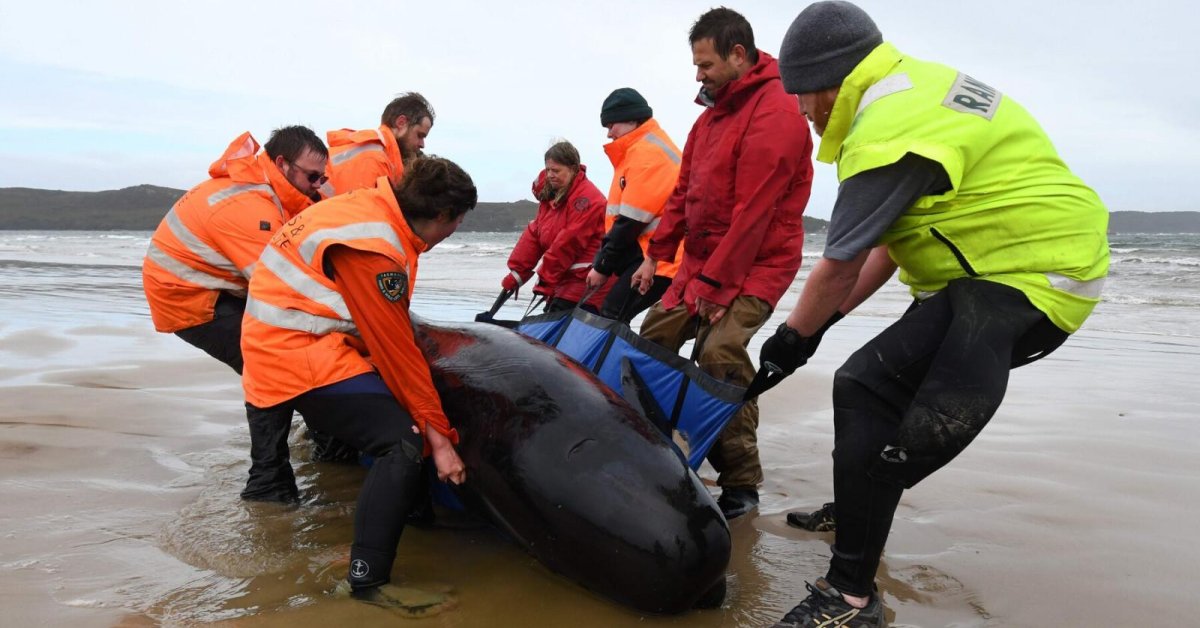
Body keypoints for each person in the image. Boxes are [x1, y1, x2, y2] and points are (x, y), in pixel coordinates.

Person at [760, 3, 1111, 626]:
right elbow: (889, 247)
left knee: (868, 388)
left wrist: (791, 339)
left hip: (1030, 276)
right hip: (1001, 266)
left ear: (826, 81)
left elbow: (838, 262)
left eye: (798, 95)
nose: (799, 111)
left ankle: (848, 598)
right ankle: (859, 508)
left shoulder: (886, 130)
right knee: (870, 387)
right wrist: (829, 321)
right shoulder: (911, 90)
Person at [240, 157, 477, 607]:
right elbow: (395, 351)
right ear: (443, 217)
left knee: (402, 418)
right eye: (458, 223)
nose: (452, 233)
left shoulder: (371, 208)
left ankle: (406, 512)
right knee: (402, 441)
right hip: (295, 351)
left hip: (293, 338)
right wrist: (441, 440)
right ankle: (368, 582)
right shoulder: (373, 247)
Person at [630, 7, 813, 519]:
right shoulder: (708, 120)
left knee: (720, 355)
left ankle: (740, 484)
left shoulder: (777, 110)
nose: (698, 75)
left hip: (759, 265)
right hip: (701, 265)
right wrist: (657, 256)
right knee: (652, 340)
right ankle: (651, 449)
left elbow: (754, 212)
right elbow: (683, 194)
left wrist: (716, 286)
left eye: (705, 64)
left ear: (738, 54)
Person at [142, 126, 328, 503]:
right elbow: (281, 288)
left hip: (216, 286)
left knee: (286, 353)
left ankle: (323, 439)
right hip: (188, 296)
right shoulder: (251, 207)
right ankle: (267, 482)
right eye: (312, 177)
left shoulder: (267, 191)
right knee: (271, 361)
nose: (318, 186)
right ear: (282, 164)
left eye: (323, 177)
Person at [584, 87, 683, 324]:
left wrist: (602, 267)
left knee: (612, 313)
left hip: (665, 259)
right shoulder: (642, 150)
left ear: (631, 119)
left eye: (611, 126)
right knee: (615, 313)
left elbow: (630, 222)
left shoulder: (647, 154)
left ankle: (614, 362)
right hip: (654, 254)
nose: (609, 134)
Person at [503, 140, 610, 313]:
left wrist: (544, 281)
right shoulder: (552, 196)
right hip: (564, 278)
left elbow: (569, 242)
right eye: (548, 170)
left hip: (586, 281)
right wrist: (517, 273)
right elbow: (536, 234)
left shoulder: (588, 199)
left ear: (573, 169)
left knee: (557, 326)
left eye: (556, 170)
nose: (550, 175)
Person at [324, 92, 434, 195]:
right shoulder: (374, 158)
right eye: (420, 135)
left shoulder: (376, 152)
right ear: (401, 123)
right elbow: (363, 213)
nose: (422, 144)